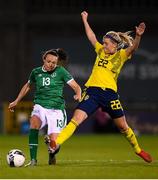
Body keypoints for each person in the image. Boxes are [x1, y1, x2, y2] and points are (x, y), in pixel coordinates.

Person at [49, 11, 153, 163]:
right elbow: (91, 36)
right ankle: (56, 143)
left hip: (110, 95)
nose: (103, 45)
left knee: (123, 127)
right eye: (103, 42)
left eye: (106, 43)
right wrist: (85, 20)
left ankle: (138, 150)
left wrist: (138, 36)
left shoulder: (121, 55)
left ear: (115, 45)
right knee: (76, 119)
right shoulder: (100, 51)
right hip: (92, 91)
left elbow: (134, 49)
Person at [8, 48, 81, 166]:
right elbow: (27, 86)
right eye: (49, 62)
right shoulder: (36, 72)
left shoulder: (61, 71)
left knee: (54, 144)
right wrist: (17, 100)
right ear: (44, 59)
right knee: (34, 124)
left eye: (54, 63)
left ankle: (52, 153)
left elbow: (76, 87)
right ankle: (33, 160)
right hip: (40, 105)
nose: (51, 64)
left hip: (56, 110)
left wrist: (78, 94)